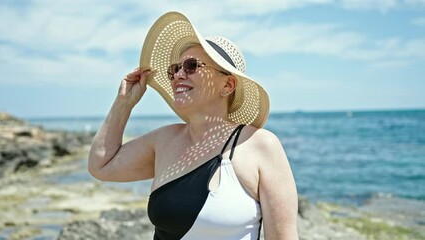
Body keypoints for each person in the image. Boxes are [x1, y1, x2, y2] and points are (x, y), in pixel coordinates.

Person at [88, 11, 298, 240]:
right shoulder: (164, 140)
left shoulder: (259, 145)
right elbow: (101, 165)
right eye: (174, 69)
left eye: (190, 66)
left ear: (227, 85)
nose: (178, 74)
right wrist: (123, 103)